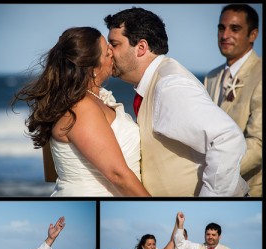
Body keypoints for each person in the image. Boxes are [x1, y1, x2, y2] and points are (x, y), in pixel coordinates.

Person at [105, 7, 248, 197]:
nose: (108, 52)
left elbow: (227, 138)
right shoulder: (155, 82)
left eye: (114, 44)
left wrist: (209, 200)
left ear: (141, 47)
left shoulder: (169, 86)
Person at [13, 27, 149, 197]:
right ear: (92, 67)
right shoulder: (81, 108)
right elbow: (117, 174)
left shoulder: (89, 100)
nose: (113, 54)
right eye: (107, 52)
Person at [204, 4, 262, 197]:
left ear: (253, 35)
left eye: (235, 29)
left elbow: (259, 143)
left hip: (248, 189)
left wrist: (217, 175)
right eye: (221, 28)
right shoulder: (210, 77)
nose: (225, 35)